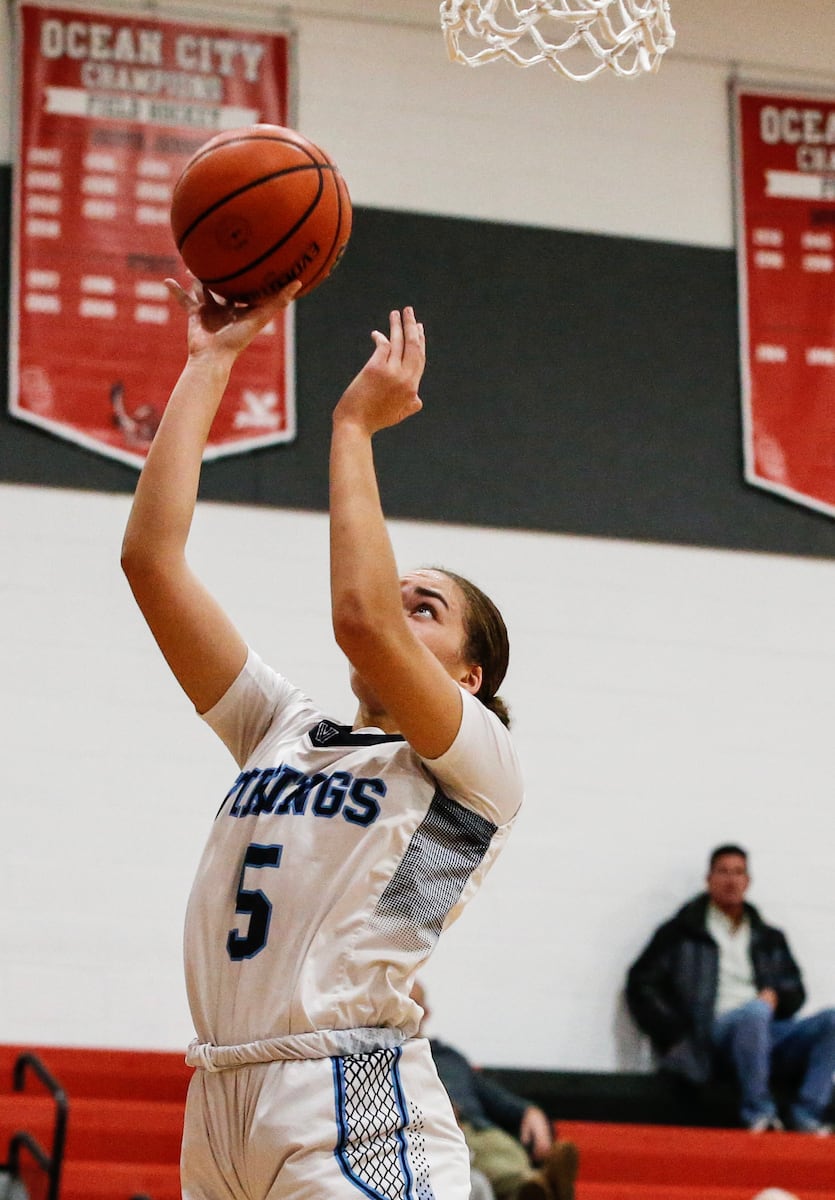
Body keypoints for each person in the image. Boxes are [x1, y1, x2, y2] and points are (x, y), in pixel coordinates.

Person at [120, 277, 523, 1200]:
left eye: (425, 607)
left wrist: (352, 429)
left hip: (352, 1097)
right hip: (220, 1098)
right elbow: (150, 562)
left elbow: (362, 620)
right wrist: (209, 362)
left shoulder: (478, 770)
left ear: (468, 677)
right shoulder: (282, 726)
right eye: (398, 593)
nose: (395, 606)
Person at [626, 844, 835, 1134]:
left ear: (747, 881)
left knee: (830, 1021)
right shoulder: (680, 933)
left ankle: (808, 1113)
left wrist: (777, 997)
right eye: (723, 872)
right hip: (712, 1031)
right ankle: (759, 1112)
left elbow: (795, 992)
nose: (731, 880)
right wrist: (674, 1034)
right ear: (709, 880)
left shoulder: (769, 937)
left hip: (765, 1028)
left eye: (738, 873)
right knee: (754, 1013)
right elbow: (642, 984)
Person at [411, 980, 579, 1200]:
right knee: (481, 1161)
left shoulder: (450, 1058)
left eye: (413, 1005)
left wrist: (529, 1112)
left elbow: (494, 1096)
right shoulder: (388, 1058)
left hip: (484, 1131)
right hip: (442, 1135)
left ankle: (537, 1186)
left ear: (426, 1012)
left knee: (501, 1149)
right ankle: (543, 1186)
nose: (406, 1012)